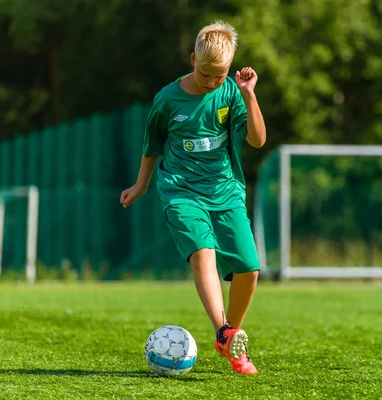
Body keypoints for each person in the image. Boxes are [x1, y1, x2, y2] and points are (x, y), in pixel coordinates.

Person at [120, 20, 266, 375]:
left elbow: (258, 140)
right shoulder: (168, 99)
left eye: (221, 75)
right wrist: (140, 186)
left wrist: (248, 93)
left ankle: (228, 335)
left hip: (225, 190)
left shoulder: (230, 92)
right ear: (192, 60)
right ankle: (224, 330)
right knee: (203, 253)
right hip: (181, 190)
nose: (212, 81)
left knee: (249, 269)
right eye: (206, 73)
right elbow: (152, 145)